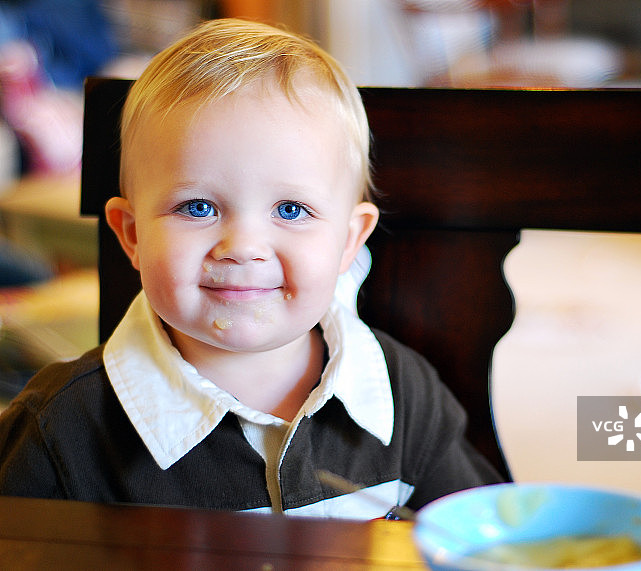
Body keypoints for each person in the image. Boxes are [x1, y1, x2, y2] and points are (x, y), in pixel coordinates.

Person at [0, 18, 501, 517]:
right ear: (132, 234)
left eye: (290, 210)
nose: (242, 247)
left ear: (348, 241)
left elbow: (483, 540)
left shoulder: (400, 395)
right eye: (198, 207)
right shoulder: (58, 432)